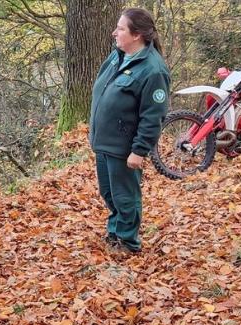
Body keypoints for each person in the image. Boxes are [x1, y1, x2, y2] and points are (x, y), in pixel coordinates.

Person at [89, 8, 170, 255]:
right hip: (104, 142)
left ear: (137, 35)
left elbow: (153, 116)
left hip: (124, 147)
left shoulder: (153, 70)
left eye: (121, 28)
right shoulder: (117, 57)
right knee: (109, 192)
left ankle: (127, 242)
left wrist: (139, 150)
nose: (115, 33)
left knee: (125, 196)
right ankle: (114, 232)